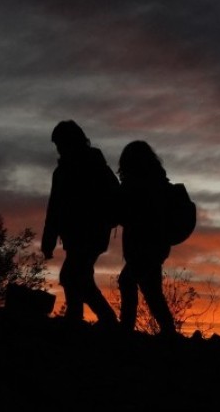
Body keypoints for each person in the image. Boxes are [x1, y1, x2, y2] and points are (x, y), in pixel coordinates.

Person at [41, 120, 118, 327]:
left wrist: (49, 240)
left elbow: (55, 208)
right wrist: (48, 240)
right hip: (78, 234)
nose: (59, 149)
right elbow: (55, 208)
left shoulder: (93, 166)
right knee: (78, 276)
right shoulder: (67, 171)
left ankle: (103, 319)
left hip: (92, 233)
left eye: (60, 144)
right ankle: (79, 317)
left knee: (72, 275)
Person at [116, 140, 178, 338]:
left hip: (146, 245)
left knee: (128, 281)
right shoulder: (157, 181)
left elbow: (132, 214)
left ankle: (126, 328)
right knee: (151, 289)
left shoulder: (141, 184)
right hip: (155, 244)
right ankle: (168, 331)